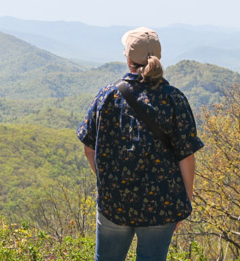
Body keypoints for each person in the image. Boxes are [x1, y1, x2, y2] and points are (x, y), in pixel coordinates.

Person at [77, 27, 204, 261]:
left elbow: (88, 148)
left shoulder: (107, 95)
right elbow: (186, 155)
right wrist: (185, 201)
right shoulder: (174, 98)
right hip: (162, 204)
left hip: (114, 202)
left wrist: (106, 182)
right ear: (158, 57)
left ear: (128, 59)